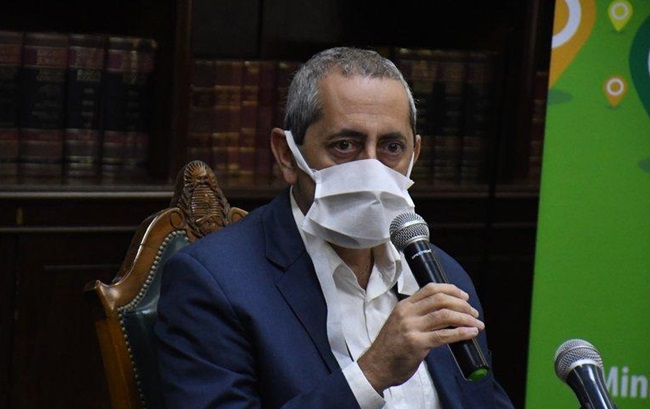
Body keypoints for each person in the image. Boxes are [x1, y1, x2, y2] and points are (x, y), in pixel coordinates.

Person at [154, 46, 515, 409]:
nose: (371, 168)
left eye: (391, 147)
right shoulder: (213, 282)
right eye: (345, 145)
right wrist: (372, 373)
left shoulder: (443, 276)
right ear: (287, 154)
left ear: (414, 155)